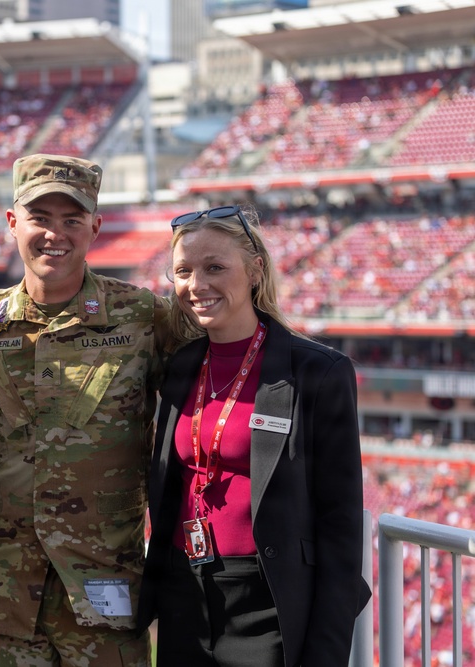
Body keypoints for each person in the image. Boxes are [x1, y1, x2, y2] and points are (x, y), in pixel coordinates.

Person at [0, 154, 175, 665]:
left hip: (104, 598)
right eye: (40, 218)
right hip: (5, 601)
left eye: (72, 220)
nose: (56, 234)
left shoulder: (143, 316)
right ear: (12, 223)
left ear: (96, 226)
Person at [138, 206, 370, 666]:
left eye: (216, 267)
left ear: (255, 270)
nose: (196, 284)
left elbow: (341, 525)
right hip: (188, 599)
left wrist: (325, 652)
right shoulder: (180, 366)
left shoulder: (318, 373)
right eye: (183, 270)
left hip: (269, 606)